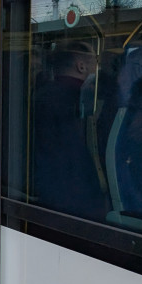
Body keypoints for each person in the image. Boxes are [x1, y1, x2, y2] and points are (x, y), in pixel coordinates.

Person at [32, 40, 105, 220]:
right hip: (75, 197)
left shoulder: (41, 95)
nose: (98, 70)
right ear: (81, 66)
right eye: (95, 63)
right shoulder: (81, 99)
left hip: (47, 190)